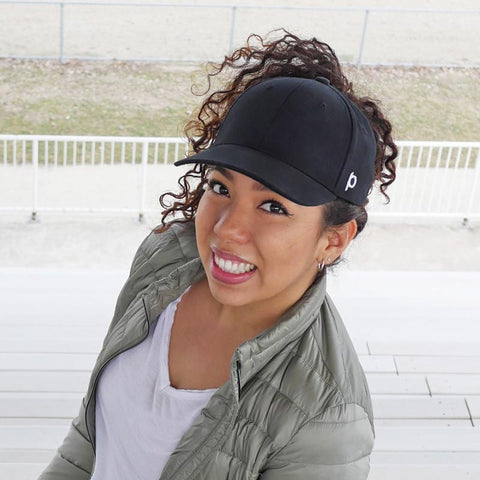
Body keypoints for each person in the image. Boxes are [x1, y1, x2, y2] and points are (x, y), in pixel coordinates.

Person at [39, 31, 397, 479]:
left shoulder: (327, 416)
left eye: (273, 206)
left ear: (334, 239)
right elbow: (91, 437)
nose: (227, 229)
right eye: (220, 187)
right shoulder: (164, 259)